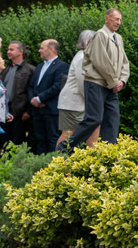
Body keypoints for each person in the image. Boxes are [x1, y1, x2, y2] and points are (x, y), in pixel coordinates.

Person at [66, 9, 130, 148]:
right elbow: (101, 62)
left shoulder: (118, 38)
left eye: (120, 19)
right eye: (116, 19)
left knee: (112, 120)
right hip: (96, 84)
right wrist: (114, 82)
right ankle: (65, 148)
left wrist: (122, 81)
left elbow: (125, 62)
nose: (118, 22)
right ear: (107, 19)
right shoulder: (100, 35)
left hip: (111, 86)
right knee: (93, 119)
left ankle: (109, 153)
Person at [57, 30, 99, 150]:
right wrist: (94, 102)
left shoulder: (85, 56)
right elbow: (83, 85)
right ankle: (60, 162)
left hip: (73, 103)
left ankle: (61, 162)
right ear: (88, 42)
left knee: (71, 133)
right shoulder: (83, 58)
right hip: (73, 104)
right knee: (69, 134)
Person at [28, 39, 68, 155]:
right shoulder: (39, 67)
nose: (39, 50)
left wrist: (40, 98)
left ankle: (52, 166)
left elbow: (58, 86)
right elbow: (31, 86)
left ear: (51, 49)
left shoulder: (62, 66)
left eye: (41, 48)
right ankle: (40, 167)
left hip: (51, 110)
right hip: (37, 111)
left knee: (52, 139)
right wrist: (33, 100)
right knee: (40, 140)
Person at [2, 41, 36, 147]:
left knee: (18, 142)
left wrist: (28, 111)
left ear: (20, 51)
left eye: (11, 49)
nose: (8, 52)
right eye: (8, 49)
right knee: (4, 141)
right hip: (4, 110)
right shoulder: (5, 69)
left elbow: (33, 91)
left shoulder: (30, 70)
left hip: (19, 112)